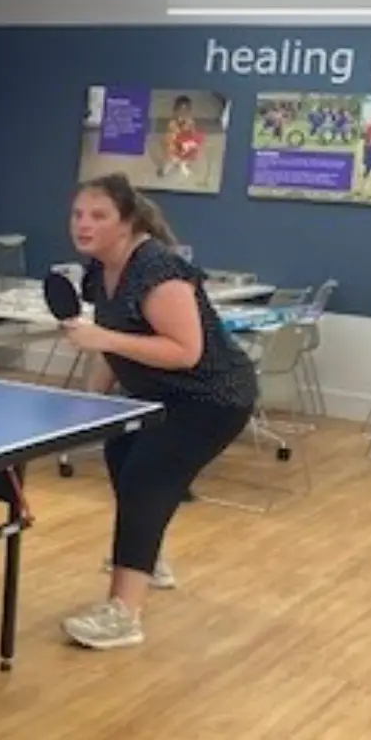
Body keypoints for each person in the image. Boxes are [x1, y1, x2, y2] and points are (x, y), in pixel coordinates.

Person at [57, 174, 257, 652]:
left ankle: (123, 614)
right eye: (78, 215)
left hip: (212, 398)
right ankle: (149, 557)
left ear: (126, 222)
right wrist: (95, 404)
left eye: (99, 216)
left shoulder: (158, 269)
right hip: (159, 396)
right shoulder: (97, 269)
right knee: (122, 452)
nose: (84, 224)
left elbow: (185, 351)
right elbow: (110, 343)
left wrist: (102, 339)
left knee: (147, 478)